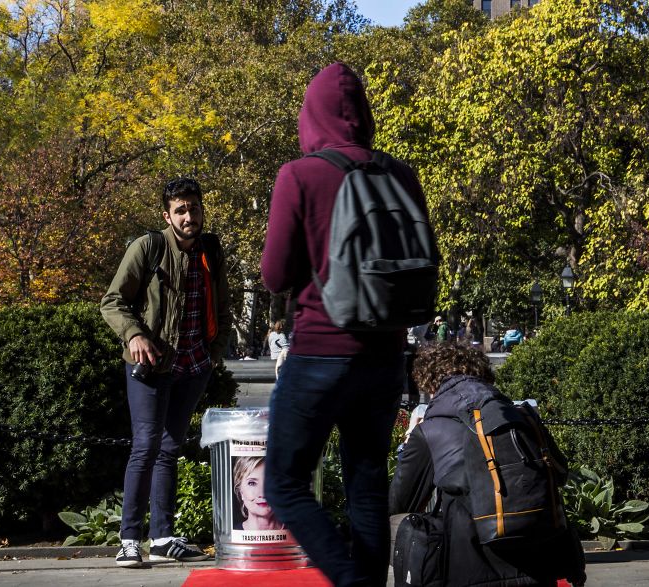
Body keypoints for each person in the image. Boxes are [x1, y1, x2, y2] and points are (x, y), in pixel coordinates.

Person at [260, 62, 428, 587]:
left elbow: (275, 275)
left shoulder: (300, 174)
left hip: (319, 352)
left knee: (284, 483)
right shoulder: (401, 175)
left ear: (310, 115)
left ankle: (353, 583)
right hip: (385, 357)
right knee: (367, 481)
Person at [100, 177, 231, 568]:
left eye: (194, 207)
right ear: (167, 215)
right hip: (151, 367)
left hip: (194, 365)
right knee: (145, 447)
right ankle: (128, 539)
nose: (189, 215)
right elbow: (112, 302)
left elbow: (223, 308)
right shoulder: (149, 248)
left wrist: (214, 354)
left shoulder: (211, 250)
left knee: (170, 449)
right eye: (181, 210)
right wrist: (135, 335)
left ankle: (162, 536)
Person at [390, 342, 586, 586]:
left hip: (468, 564)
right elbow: (560, 473)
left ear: (430, 382)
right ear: (483, 374)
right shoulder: (520, 416)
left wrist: (406, 447)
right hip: (539, 560)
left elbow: (400, 501)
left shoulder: (429, 430)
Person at [232, 456, 284, 531]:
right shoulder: (231, 535)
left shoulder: (297, 533)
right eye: (252, 483)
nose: (262, 494)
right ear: (240, 491)